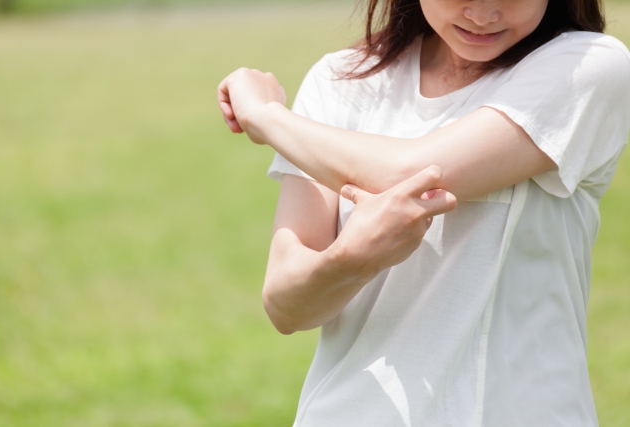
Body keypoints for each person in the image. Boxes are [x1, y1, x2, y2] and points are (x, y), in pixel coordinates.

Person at [217, 0, 630, 425]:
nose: (484, 13)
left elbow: (410, 172)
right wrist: (353, 259)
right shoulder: (341, 80)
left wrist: (266, 117)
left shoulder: (588, 66)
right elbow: (287, 307)